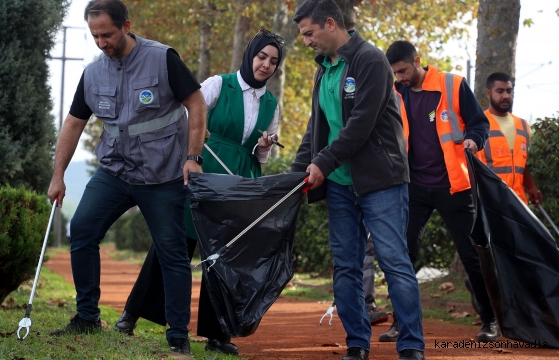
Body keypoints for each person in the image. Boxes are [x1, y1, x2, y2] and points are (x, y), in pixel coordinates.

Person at [46, 0, 206, 356]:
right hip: (115, 172)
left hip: (163, 176)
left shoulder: (162, 58)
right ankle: (87, 316)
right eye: (95, 36)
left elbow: (196, 103)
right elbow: (73, 124)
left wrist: (193, 157)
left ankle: (177, 334)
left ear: (126, 25)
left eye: (107, 34)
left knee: (172, 253)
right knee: (83, 229)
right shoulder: (92, 73)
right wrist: (58, 176)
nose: (101, 42)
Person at [114, 30, 285, 356]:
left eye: (273, 62)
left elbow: (260, 156)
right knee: (175, 244)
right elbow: (187, 114)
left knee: (222, 259)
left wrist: (264, 147)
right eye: (262, 57)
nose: (266, 65)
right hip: (203, 175)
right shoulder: (220, 84)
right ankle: (132, 314)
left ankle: (216, 334)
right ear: (250, 55)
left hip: (238, 185)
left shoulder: (272, 105)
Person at [290, 1, 426, 359]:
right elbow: (315, 129)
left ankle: (411, 344)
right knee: (346, 266)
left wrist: (321, 162)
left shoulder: (370, 60)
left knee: (394, 260)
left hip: (381, 180)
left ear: (330, 24)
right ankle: (357, 343)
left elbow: (360, 125)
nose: (305, 42)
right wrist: (295, 173)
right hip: (338, 183)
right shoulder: (324, 69)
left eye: (308, 34)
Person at [384, 40, 496, 344]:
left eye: (404, 71)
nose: (401, 77)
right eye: (395, 73)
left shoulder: (453, 85)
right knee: (403, 255)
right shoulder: (395, 93)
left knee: (472, 256)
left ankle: (489, 320)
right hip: (414, 188)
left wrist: (474, 140)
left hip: (454, 186)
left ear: (417, 61)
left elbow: (479, 123)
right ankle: (399, 322)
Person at [476, 72, 542, 205]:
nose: (505, 96)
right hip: (491, 203)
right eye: (500, 91)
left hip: (519, 203)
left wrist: (532, 186)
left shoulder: (523, 126)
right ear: (488, 93)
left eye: (509, 91)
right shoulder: (479, 124)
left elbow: (519, 164)